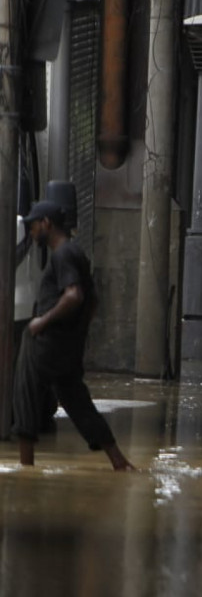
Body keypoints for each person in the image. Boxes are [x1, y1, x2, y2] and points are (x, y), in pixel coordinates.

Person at [13, 200, 134, 470]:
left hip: (44, 344)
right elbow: (92, 301)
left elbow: (74, 295)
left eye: (33, 226)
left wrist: (42, 322)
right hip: (65, 345)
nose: (31, 232)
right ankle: (119, 462)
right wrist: (77, 334)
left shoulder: (63, 254)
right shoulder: (76, 253)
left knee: (25, 399)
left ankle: (25, 468)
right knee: (78, 403)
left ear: (46, 224)